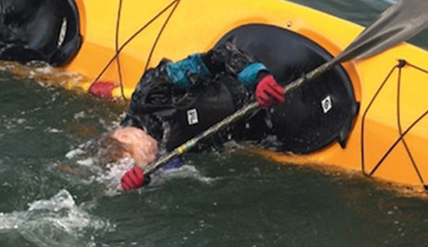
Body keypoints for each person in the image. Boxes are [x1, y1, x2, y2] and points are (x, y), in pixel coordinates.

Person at [92, 40, 287, 190]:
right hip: (259, 127)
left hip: (254, 80)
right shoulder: (162, 155)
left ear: (124, 135)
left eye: (146, 156)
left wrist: (257, 76)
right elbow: (168, 178)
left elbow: (219, 56)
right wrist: (144, 184)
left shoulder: (152, 92)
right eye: (148, 163)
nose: (152, 159)